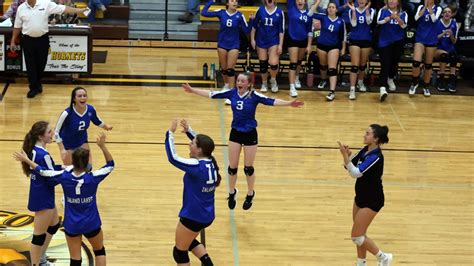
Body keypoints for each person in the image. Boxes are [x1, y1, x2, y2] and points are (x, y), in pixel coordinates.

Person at [182, 73, 304, 210]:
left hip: (250, 133)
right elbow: (212, 94)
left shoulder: (254, 96)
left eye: (242, 81)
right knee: (232, 168)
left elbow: (271, 101)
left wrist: (289, 103)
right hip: (236, 133)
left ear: (249, 83)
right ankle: (232, 192)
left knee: (248, 168)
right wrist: (193, 90)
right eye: (238, 80)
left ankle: (250, 193)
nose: (239, 82)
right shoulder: (232, 93)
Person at [14, 133, 114, 266]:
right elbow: (110, 165)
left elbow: (43, 171)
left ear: (73, 161)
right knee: (99, 251)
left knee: (75, 260)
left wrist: (27, 160)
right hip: (91, 223)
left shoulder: (64, 176)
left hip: (72, 225)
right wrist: (102, 146)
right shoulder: (93, 177)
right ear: (87, 164)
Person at [165, 119, 219, 266]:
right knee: (188, 242)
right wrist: (189, 131)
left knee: (179, 252)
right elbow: (204, 146)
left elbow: (173, 158)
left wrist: (170, 133)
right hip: (206, 214)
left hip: (193, 216)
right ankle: (207, 263)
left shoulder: (197, 166)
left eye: (192, 143)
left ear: (199, 150)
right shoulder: (211, 162)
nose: (189, 144)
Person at [337, 124, 393, 266]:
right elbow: (348, 167)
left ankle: (383, 257)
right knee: (360, 234)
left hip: (373, 200)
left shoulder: (376, 157)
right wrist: (347, 157)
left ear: (375, 138)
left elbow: (355, 173)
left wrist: (345, 156)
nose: (364, 135)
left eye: (367, 133)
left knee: (356, 236)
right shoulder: (364, 150)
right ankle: (361, 263)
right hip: (360, 197)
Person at [11, 0, 87, 98]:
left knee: (41, 63)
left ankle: (37, 83)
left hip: (43, 39)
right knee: (30, 65)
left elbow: (63, 9)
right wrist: (13, 40)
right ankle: (33, 88)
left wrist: (80, 10)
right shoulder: (21, 8)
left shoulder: (45, 3)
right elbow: (17, 26)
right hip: (27, 40)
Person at [18, 121, 62, 266]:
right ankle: (37, 263)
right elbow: (51, 179)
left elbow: (48, 169)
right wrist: (67, 175)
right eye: (49, 132)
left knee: (54, 224)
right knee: (38, 236)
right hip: (43, 196)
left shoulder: (34, 151)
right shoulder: (43, 155)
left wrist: (64, 167)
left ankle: (41, 257)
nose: (52, 134)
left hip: (40, 193)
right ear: (40, 136)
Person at [201, 0, 253, 91]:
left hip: (234, 45)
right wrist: (211, 1)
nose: (235, 3)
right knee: (224, 69)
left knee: (230, 69)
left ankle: (232, 90)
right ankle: (226, 85)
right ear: (227, 3)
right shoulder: (221, 13)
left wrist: (252, 20)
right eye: (232, 1)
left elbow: (247, 30)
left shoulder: (240, 15)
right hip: (222, 44)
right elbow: (203, 13)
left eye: (236, 1)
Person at [55, 87, 113, 166]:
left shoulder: (90, 109)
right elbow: (56, 132)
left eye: (84, 95)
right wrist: (62, 149)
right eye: (79, 96)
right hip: (68, 144)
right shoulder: (67, 113)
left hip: (82, 141)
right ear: (74, 99)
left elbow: (97, 120)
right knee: (71, 171)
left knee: (88, 168)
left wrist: (106, 126)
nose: (83, 98)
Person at [309, 0, 347, 101]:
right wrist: (318, 2)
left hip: (334, 47)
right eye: (329, 7)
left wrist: (343, 48)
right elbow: (309, 13)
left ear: (336, 10)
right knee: (323, 66)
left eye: (333, 7)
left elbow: (343, 37)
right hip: (321, 45)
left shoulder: (340, 21)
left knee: (332, 69)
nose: (331, 9)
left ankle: (332, 92)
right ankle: (323, 79)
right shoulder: (323, 17)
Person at [408, 0, 442, 97]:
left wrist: (430, 8)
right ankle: (414, 83)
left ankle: (426, 86)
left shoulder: (438, 8)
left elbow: (434, 19)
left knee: (428, 65)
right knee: (416, 62)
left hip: (431, 39)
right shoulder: (420, 7)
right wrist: (424, 7)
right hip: (420, 38)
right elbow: (416, 18)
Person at [251, 0, 285, 93]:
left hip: (274, 41)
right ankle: (264, 83)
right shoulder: (260, 10)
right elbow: (254, 26)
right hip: (261, 40)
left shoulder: (279, 12)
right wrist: (252, 39)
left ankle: (273, 80)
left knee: (273, 63)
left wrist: (280, 45)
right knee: (263, 64)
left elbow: (281, 30)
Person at [376, 0, 407, 102]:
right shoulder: (383, 11)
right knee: (385, 63)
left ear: (398, 2)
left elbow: (404, 26)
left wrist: (397, 18)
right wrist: (388, 18)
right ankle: (382, 88)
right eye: (389, 0)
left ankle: (390, 78)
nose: (391, 1)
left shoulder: (403, 13)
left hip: (397, 41)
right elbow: (378, 21)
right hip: (384, 42)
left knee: (394, 62)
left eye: (393, 0)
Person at [347, 0, 375, 100]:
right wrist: (354, 11)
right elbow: (353, 24)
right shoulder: (351, 10)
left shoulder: (371, 10)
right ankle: (352, 89)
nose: (361, 1)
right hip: (354, 39)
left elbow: (369, 21)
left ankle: (360, 81)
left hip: (366, 39)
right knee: (355, 66)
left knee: (362, 65)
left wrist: (367, 9)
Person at [287, 0, 313, 97]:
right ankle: (292, 86)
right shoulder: (291, 8)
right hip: (292, 38)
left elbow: (310, 30)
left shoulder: (308, 13)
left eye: (302, 0)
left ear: (305, 2)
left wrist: (309, 45)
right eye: (298, 0)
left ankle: (296, 77)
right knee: (293, 63)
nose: (300, 1)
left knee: (299, 61)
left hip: (303, 40)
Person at [434, 5, 459, 93]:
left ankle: (452, 79)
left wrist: (451, 34)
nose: (447, 13)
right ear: (442, 14)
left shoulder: (454, 24)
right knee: (444, 55)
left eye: (449, 12)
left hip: (450, 48)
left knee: (454, 56)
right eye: (445, 12)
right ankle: (441, 79)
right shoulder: (437, 23)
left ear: (451, 14)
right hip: (438, 48)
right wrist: (443, 33)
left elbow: (454, 41)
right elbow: (433, 39)